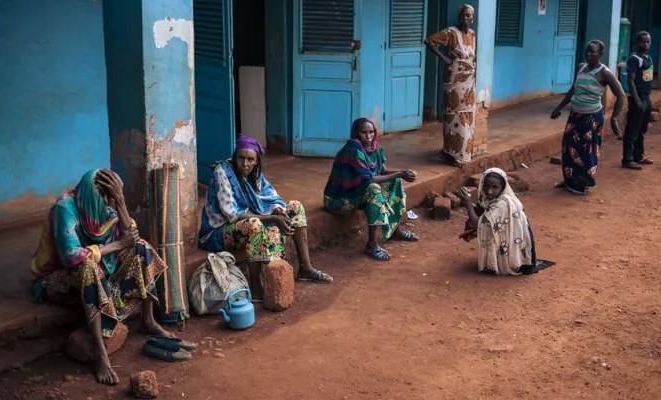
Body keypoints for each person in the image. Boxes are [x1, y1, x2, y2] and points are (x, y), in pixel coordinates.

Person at [31, 169, 175, 385]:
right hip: (55, 279)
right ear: (90, 196)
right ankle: (99, 350)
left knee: (141, 247)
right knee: (89, 267)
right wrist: (116, 245)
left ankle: (148, 320)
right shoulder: (65, 208)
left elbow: (131, 235)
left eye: (111, 199)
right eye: (104, 199)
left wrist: (121, 201)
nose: (107, 206)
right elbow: (71, 256)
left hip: (98, 268)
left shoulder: (107, 205)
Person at [198, 135, 333, 299]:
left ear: (256, 161)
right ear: (235, 157)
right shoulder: (223, 173)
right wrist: (272, 219)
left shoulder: (254, 173)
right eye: (241, 158)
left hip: (246, 219)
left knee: (295, 207)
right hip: (218, 233)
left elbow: (269, 196)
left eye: (250, 159)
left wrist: (277, 211)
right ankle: (255, 286)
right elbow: (234, 214)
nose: (245, 164)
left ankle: (305, 268)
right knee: (254, 224)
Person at [323, 118, 420, 261]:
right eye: (364, 133)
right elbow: (370, 180)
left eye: (371, 132)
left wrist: (402, 173)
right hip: (339, 199)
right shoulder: (353, 149)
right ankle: (371, 245)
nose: (368, 137)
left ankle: (395, 229)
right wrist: (400, 173)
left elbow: (382, 172)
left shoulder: (375, 147)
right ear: (356, 133)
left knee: (396, 181)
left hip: (358, 193)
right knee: (373, 189)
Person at [551, 39, 625, 195]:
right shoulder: (580, 67)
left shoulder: (604, 73)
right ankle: (570, 179)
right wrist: (559, 107)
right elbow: (573, 89)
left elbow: (621, 94)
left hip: (591, 118)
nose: (589, 54)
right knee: (569, 147)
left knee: (587, 151)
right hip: (575, 115)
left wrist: (614, 118)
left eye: (593, 52)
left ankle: (582, 184)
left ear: (601, 54)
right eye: (587, 51)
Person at [457, 168, 555, 275]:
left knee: (486, 227)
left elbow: (478, 224)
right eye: (486, 186)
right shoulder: (498, 199)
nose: (489, 191)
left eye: (495, 187)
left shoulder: (503, 203)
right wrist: (468, 201)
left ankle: (505, 262)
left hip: (514, 248)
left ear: (503, 187)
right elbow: (485, 214)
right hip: (515, 244)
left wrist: (467, 203)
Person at [424, 4, 477, 167]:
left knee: (468, 115)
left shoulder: (473, 35)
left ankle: (463, 152)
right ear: (460, 16)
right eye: (465, 15)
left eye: (470, 16)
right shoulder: (451, 33)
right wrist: (444, 58)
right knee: (453, 116)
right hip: (454, 82)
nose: (468, 18)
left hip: (469, 83)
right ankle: (450, 153)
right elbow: (429, 41)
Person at [623, 31, 654, 170]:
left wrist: (648, 99)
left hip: (646, 98)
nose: (646, 44)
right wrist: (637, 101)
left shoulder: (648, 58)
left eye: (648, 42)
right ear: (638, 43)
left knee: (642, 130)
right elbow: (631, 82)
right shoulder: (634, 59)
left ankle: (638, 156)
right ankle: (627, 159)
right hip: (638, 99)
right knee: (632, 130)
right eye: (644, 42)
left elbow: (647, 79)